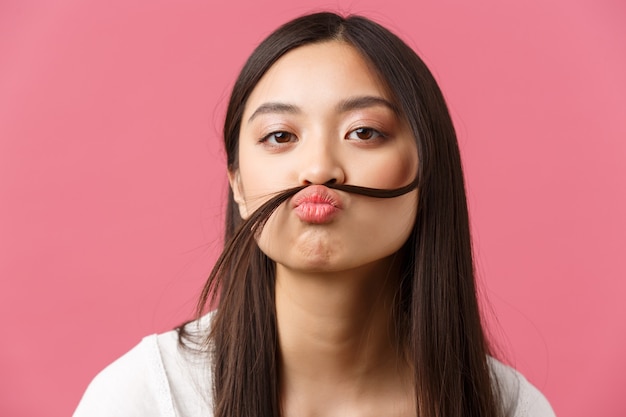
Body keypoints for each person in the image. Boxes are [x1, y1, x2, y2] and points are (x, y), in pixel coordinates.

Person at [74, 12, 556, 417]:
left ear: (430, 171)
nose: (319, 168)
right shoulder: (141, 398)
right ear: (237, 184)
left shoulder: (513, 408)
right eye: (281, 136)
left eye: (364, 132)